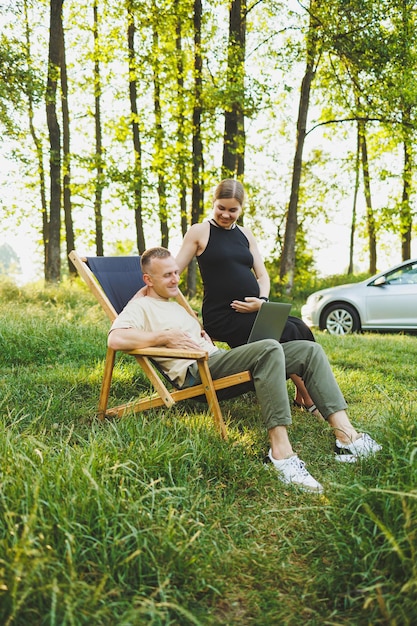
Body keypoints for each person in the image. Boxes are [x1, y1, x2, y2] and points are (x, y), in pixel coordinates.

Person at [108, 247, 382, 494]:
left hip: (217, 360)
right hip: (198, 372)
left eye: (176, 273)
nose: (175, 280)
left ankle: (347, 437)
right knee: (268, 348)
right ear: (148, 280)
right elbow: (116, 339)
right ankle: (281, 454)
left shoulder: (172, 302)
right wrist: (163, 337)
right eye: (167, 275)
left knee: (308, 350)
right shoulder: (139, 306)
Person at [175, 178, 319, 414]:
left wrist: (261, 303)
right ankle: (309, 398)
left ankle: (301, 394)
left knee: (300, 326)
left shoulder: (245, 234)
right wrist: (188, 314)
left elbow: (262, 276)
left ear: (241, 209)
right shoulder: (200, 231)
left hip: (254, 312)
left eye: (233, 210)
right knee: (288, 331)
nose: (226, 214)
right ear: (213, 203)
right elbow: (174, 274)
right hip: (223, 316)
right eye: (221, 208)